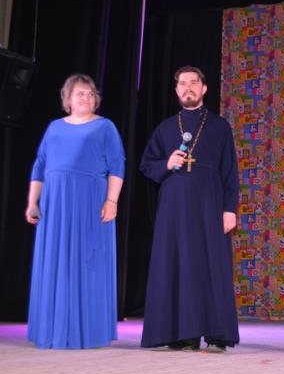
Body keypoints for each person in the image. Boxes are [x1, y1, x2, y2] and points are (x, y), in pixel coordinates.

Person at [140, 65, 239, 352]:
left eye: (194, 82)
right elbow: (147, 164)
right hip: (174, 206)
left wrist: (229, 209)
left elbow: (230, 171)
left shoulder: (219, 126)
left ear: (204, 88)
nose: (188, 88)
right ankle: (180, 334)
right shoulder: (166, 127)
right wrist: (166, 164)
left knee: (211, 265)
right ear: (176, 90)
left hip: (209, 203)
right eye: (182, 83)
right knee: (176, 263)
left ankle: (217, 334)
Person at [25, 73, 125, 349]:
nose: (87, 98)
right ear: (67, 99)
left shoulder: (105, 127)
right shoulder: (54, 127)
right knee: (56, 259)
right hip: (55, 201)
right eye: (80, 93)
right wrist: (33, 202)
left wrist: (112, 201)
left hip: (89, 199)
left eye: (91, 94)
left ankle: (87, 329)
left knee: (86, 260)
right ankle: (52, 328)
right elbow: (40, 165)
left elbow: (117, 165)